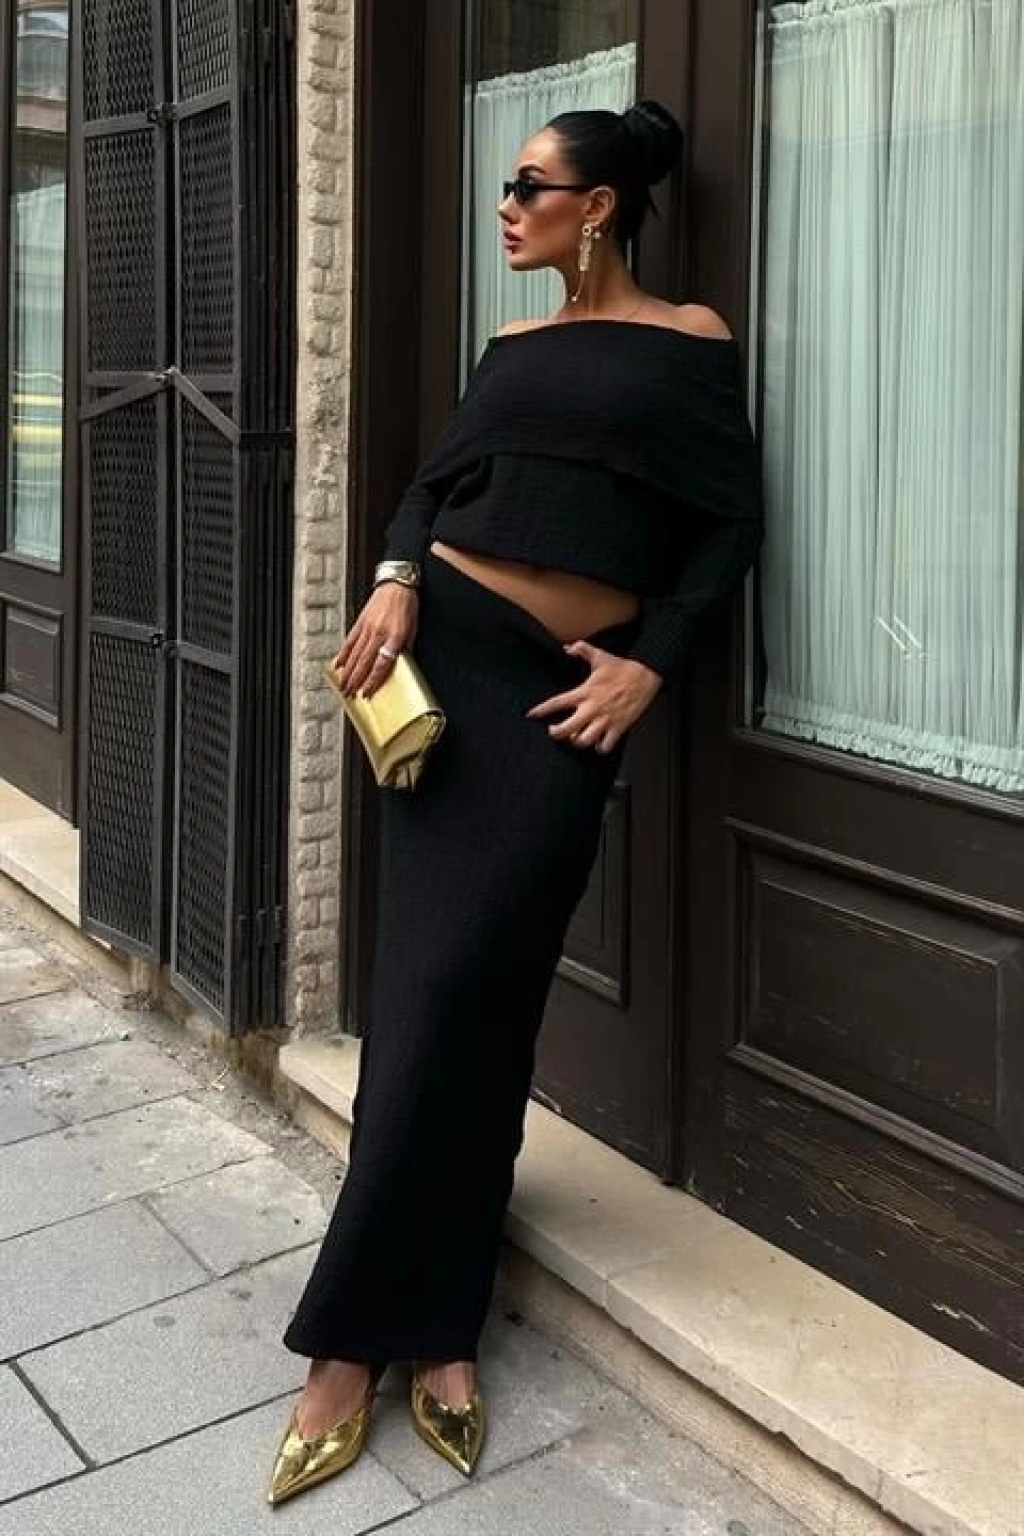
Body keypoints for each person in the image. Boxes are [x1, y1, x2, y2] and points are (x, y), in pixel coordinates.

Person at [267, 98, 762, 1507]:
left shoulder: (691, 341)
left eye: (530, 185)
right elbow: (431, 491)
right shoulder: (512, 346)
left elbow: (729, 525)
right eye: (508, 184)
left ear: (597, 206)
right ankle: (368, 1344)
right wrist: (393, 576)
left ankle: (432, 1314)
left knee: (483, 996)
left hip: (561, 703)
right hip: (450, 668)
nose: (507, 205)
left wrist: (653, 666)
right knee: (429, 998)